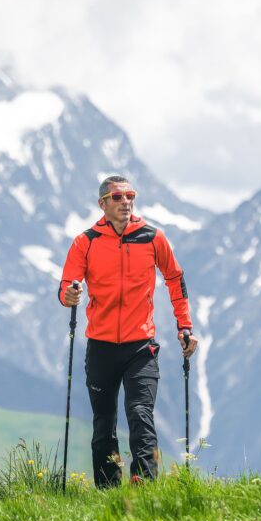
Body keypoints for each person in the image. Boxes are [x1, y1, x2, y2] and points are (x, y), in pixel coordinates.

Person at [58, 175, 200, 488]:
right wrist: (68, 294)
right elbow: (67, 283)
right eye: (118, 197)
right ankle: (109, 492)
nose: (126, 202)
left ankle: (145, 489)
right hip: (101, 346)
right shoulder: (87, 241)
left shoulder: (152, 237)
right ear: (103, 204)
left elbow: (175, 279)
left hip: (141, 347)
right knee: (104, 424)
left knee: (140, 413)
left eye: (130, 195)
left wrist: (184, 326)